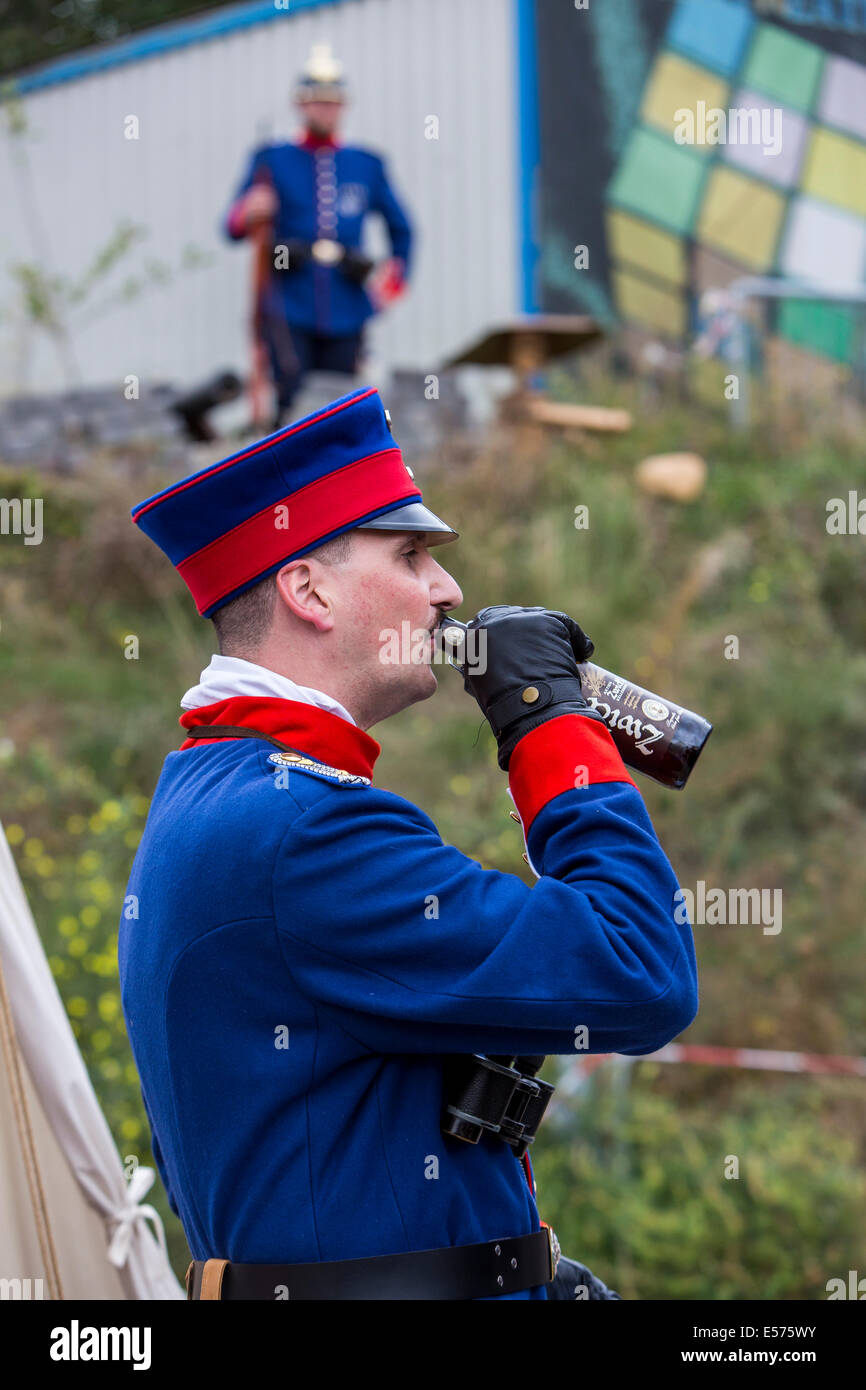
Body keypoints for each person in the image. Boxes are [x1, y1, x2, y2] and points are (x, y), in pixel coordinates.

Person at [121, 386, 698, 1301]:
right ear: (307, 589)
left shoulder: (220, 791)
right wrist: (549, 726)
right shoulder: (304, 830)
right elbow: (641, 969)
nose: (448, 590)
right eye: (413, 553)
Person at [222, 43, 412, 426]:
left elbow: (402, 228)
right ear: (300, 104)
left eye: (331, 101)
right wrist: (249, 210)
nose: (323, 109)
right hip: (287, 303)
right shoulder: (271, 159)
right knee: (291, 403)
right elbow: (231, 227)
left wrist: (393, 284)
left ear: (343, 106)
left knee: (341, 404)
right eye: (315, 101)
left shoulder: (366, 164)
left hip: (347, 304)